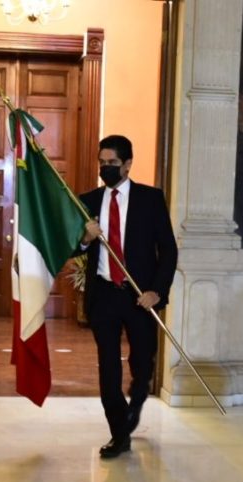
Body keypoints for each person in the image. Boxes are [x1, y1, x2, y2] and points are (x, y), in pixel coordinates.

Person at [79, 135, 178, 459]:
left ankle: (135, 404)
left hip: (139, 296)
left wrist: (157, 291)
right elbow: (72, 247)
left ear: (128, 164)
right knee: (108, 368)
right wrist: (85, 238)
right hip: (104, 293)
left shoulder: (150, 199)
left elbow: (168, 250)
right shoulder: (88, 201)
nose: (106, 169)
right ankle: (119, 433)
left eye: (112, 164)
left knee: (141, 362)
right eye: (102, 163)